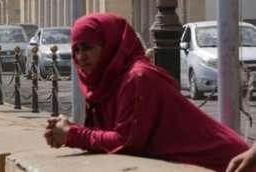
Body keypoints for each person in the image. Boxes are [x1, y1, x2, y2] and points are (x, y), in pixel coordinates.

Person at [44, 13, 249, 172]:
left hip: (228, 163)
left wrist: (72, 134)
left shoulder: (137, 78)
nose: (80, 57)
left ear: (110, 46)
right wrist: (66, 130)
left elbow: (125, 142)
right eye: (76, 50)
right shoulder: (106, 83)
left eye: (87, 48)